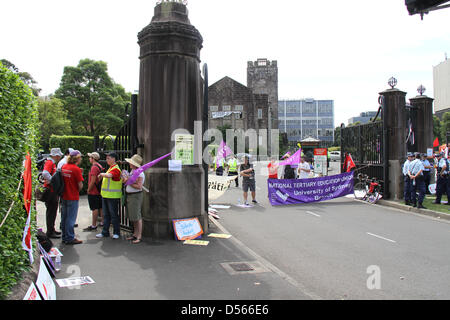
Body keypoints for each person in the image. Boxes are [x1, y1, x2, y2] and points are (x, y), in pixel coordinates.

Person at [96, 152, 123, 240]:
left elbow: (109, 175)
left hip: (113, 196)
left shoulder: (115, 169)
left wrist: (101, 174)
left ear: (114, 159)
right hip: (106, 195)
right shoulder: (111, 168)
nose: (107, 160)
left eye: (108, 158)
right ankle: (105, 232)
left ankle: (116, 232)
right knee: (106, 215)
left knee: (113, 215)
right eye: (107, 158)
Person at [60, 150, 84, 244]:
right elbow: (80, 185)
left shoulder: (64, 166)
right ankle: (70, 237)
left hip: (64, 195)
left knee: (64, 217)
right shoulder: (76, 169)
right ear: (77, 159)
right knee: (71, 218)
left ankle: (64, 236)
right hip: (73, 196)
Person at [122, 154, 144, 244]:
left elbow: (139, 186)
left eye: (131, 162)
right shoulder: (133, 171)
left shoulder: (140, 173)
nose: (129, 163)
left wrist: (128, 181)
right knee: (133, 216)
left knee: (137, 216)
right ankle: (135, 234)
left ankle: (139, 235)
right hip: (130, 195)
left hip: (136, 195)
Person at [42, 148, 63, 239]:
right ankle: (50, 232)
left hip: (52, 191)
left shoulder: (51, 163)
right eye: (59, 156)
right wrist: (53, 182)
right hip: (51, 191)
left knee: (52, 211)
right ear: (56, 155)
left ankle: (51, 229)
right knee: (51, 211)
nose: (60, 157)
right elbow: (45, 173)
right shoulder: (50, 163)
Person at [83, 152, 104, 232]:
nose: (89, 159)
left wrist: (89, 189)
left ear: (93, 158)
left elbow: (93, 180)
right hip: (99, 190)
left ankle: (93, 225)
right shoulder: (99, 166)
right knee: (100, 207)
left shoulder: (94, 167)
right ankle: (102, 222)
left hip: (94, 191)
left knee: (94, 208)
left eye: (90, 157)